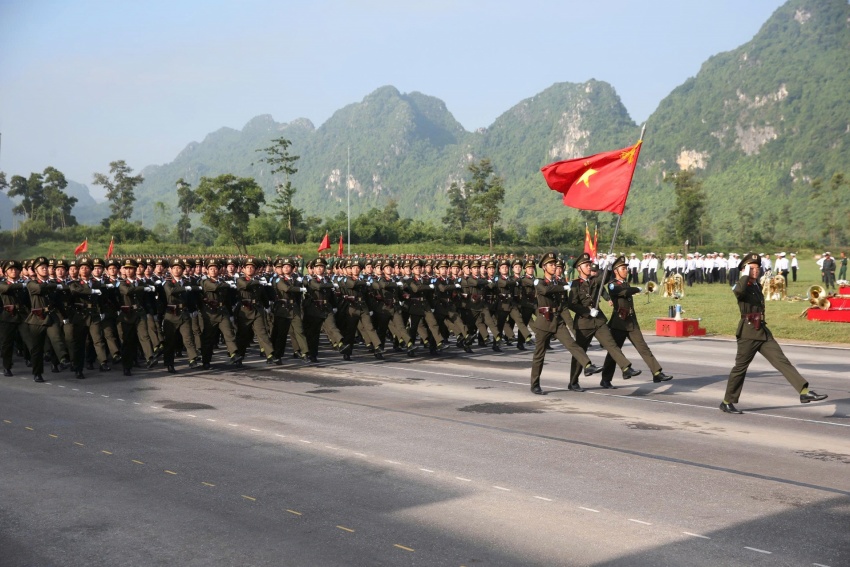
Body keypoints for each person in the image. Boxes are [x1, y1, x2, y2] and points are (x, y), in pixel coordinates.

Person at [720, 253, 828, 414]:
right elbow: (739, 292)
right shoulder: (740, 285)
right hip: (748, 333)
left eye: (757, 268)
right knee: (740, 369)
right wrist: (745, 275)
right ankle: (727, 402)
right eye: (751, 268)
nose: (755, 271)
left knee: (781, 361)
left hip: (762, 330)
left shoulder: (756, 285)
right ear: (744, 270)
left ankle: (804, 391)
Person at [529, 252, 602, 395]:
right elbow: (545, 290)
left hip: (557, 321)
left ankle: (587, 365)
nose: (554, 267)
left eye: (554, 264)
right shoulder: (539, 282)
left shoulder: (560, 283)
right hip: (544, 322)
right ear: (544, 267)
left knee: (572, 344)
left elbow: (564, 304)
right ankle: (535, 384)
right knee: (539, 355)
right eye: (551, 265)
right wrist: (563, 287)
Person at [568, 253, 641, 391]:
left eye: (589, 265)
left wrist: (608, 265)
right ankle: (573, 382)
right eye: (586, 265)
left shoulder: (594, 281)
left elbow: (605, 278)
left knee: (611, 344)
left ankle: (626, 368)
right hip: (584, 323)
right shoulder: (575, 284)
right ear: (579, 268)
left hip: (598, 321)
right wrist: (587, 311)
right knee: (580, 352)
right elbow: (572, 304)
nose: (589, 267)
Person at [599, 256, 672, 388]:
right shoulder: (613, 285)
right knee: (615, 353)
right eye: (623, 268)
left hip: (631, 322)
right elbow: (624, 292)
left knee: (643, 348)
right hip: (619, 323)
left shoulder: (625, 283)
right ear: (616, 271)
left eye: (626, 268)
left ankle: (657, 372)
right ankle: (605, 379)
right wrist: (637, 289)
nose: (626, 270)